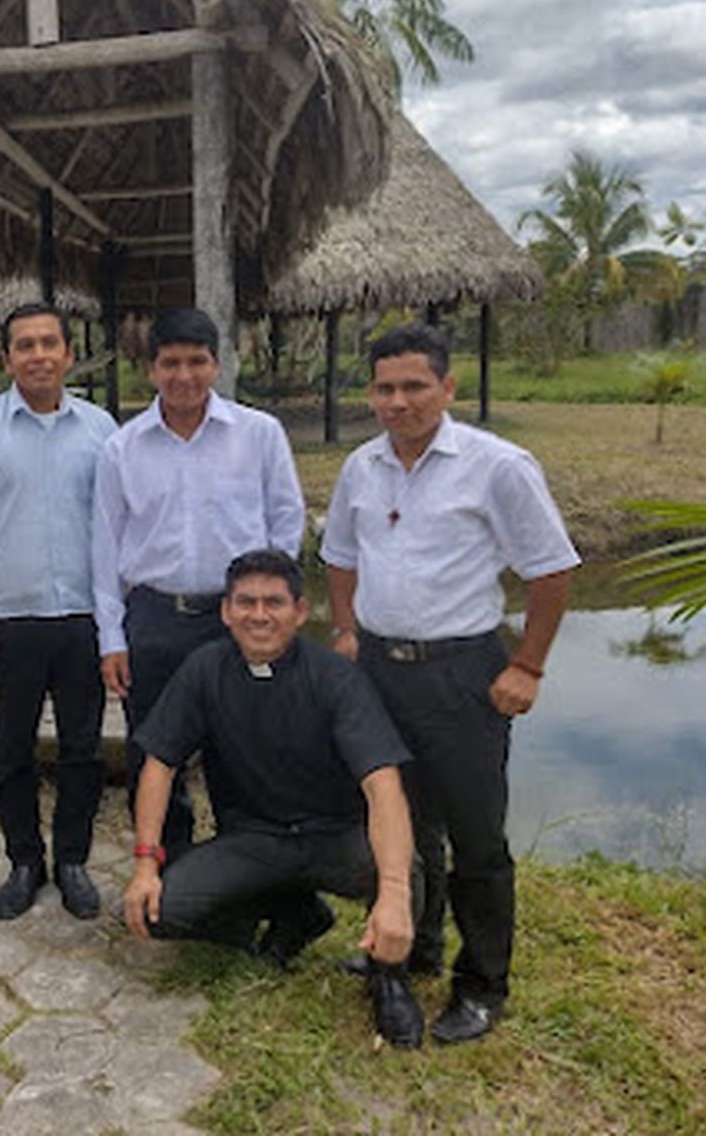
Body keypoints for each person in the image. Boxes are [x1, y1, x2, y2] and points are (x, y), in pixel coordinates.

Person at [322, 322, 579, 1043]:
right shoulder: (360, 468)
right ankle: (415, 946)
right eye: (384, 387)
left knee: (475, 835)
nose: (397, 401)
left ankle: (483, 981)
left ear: (447, 387)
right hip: (377, 669)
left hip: (465, 672)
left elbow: (551, 569)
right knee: (400, 822)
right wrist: (344, 628)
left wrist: (527, 664)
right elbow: (339, 553)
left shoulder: (498, 466)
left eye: (414, 386)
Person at [122, 550, 425, 1049]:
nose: (258, 615)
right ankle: (297, 914)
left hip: (333, 837)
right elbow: (159, 763)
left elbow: (382, 783)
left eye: (273, 603)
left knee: (407, 870)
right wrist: (144, 863)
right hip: (253, 840)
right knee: (155, 912)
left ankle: (389, 977)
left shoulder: (336, 678)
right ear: (225, 610)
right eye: (245, 602)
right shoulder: (204, 670)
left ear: (300, 612)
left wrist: (391, 892)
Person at [92, 307, 306, 861]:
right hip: (155, 619)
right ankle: (172, 869)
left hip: (236, 619)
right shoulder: (123, 447)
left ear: (218, 364)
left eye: (197, 361)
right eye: (170, 363)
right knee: (154, 748)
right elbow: (105, 548)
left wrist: (267, 613)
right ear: (151, 368)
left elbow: (285, 521)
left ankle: (246, 865)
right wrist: (112, 638)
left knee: (246, 749)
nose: (183, 375)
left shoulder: (258, 435)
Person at [0, 303, 119, 920]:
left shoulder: (101, 430)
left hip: (81, 618)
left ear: (69, 354)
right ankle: (24, 861)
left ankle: (72, 859)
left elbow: (118, 525)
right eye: (25, 346)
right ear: (7, 358)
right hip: (7, 620)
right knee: (12, 750)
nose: (39, 355)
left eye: (50, 344)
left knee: (83, 749)